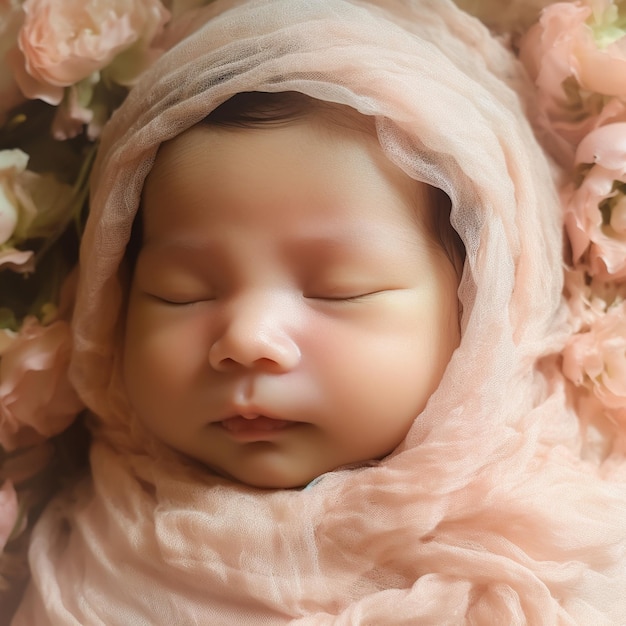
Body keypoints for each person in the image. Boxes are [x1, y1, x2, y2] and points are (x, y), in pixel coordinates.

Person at [12, 0, 626, 623]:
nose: (248, 339)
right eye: (183, 292)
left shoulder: (561, 548)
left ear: (484, 309)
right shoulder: (97, 562)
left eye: (339, 290)